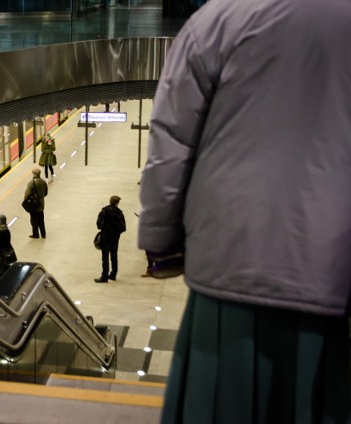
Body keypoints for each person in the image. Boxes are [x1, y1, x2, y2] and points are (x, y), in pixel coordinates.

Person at [138, 0, 351, 421]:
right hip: (331, 278)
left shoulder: (217, 22)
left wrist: (160, 244)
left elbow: (171, 143)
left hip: (226, 275)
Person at [94, 195, 126, 283]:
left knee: (105, 257)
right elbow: (123, 228)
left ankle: (104, 276)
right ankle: (113, 274)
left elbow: (98, 224)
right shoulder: (120, 214)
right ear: (117, 203)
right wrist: (117, 233)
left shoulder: (104, 212)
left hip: (106, 237)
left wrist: (104, 228)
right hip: (115, 239)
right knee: (114, 256)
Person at [24, 167, 48, 238]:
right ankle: (43, 234)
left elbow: (27, 194)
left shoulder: (32, 182)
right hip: (41, 204)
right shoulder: (43, 182)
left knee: (34, 220)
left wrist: (26, 202)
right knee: (41, 220)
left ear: (34, 174)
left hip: (34, 205)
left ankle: (35, 234)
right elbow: (46, 193)